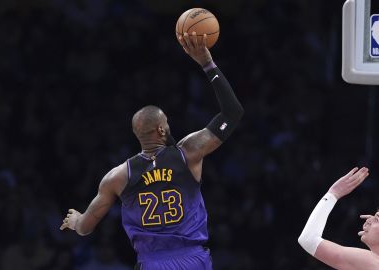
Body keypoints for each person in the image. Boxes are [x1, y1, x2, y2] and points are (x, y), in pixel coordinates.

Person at [59, 32, 244, 270]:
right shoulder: (188, 153)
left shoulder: (117, 176)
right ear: (160, 129)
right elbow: (233, 113)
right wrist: (207, 63)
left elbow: (85, 228)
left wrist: (76, 222)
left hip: (152, 263)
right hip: (193, 260)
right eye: (167, 122)